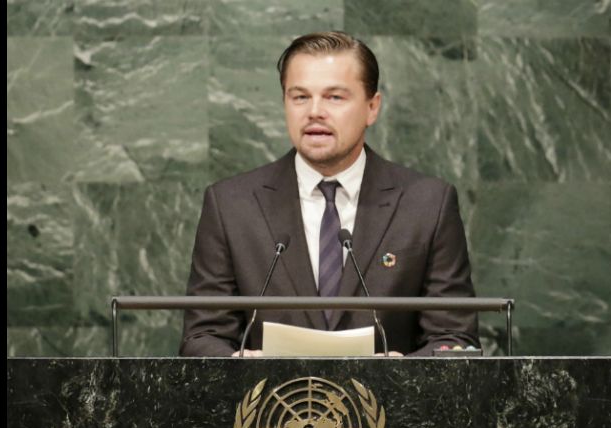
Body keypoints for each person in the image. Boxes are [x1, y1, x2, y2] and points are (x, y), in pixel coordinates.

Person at [180, 31, 479, 357]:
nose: (314, 112)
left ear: (372, 107)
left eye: (334, 97)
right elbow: (202, 336)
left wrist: (401, 374)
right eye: (300, 97)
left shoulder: (427, 204)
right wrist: (238, 363)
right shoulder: (231, 205)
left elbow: (453, 337)